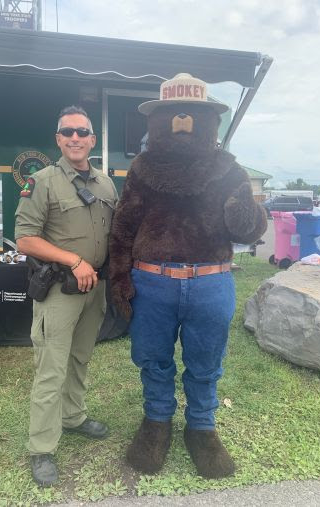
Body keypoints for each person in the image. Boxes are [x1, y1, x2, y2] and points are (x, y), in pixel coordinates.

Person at [109, 73, 267, 478]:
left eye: (192, 114)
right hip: (152, 281)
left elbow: (247, 231)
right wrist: (120, 278)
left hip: (210, 282)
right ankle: (156, 423)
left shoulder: (229, 170)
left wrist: (244, 209)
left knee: (206, 362)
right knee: (153, 359)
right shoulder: (142, 169)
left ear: (209, 120)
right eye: (172, 115)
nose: (182, 121)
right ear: (158, 120)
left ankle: (202, 428)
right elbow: (124, 227)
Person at [15, 105, 118, 487]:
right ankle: (42, 447)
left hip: (96, 289)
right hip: (59, 289)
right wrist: (74, 260)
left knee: (80, 358)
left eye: (82, 132)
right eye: (67, 132)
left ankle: (73, 417)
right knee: (51, 368)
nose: (75, 138)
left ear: (92, 139)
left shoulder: (106, 185)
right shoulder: (41, 182)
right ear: (58, 139)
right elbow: (25, 238)